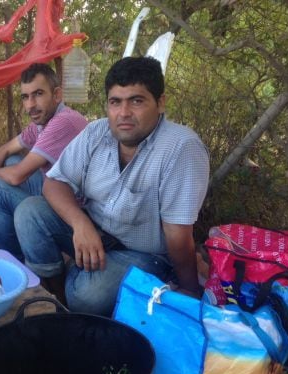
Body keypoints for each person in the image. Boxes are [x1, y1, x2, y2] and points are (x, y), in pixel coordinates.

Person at [14, 56, 210, 316]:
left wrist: (190, 292)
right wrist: (80, 224)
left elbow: (178, 236)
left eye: (136, 101)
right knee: (29, 212)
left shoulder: (181, 147)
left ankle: (75, 288)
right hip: (94, 232)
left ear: (160, 103)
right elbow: (53, 181)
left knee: (87, 296)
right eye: (115, 102)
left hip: (143, 254)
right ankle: (58, 299)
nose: (123, 113)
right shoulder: (97, 132)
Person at [0, 63, 87, 260]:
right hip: (57, 191)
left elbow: (16, 177)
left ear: (57, 95)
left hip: (77, 213)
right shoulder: (41, 122)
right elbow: (4, 149)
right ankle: (19, 243)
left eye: (38, 94)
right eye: (25, 97)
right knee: (11, 160)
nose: (30, 104)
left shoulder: (63, 121)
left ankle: (8, 260)